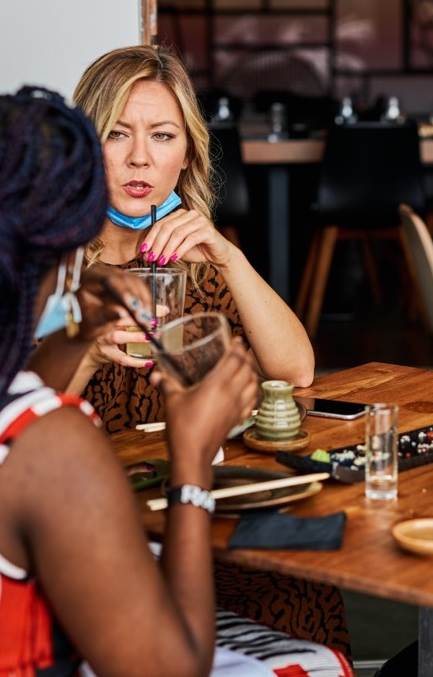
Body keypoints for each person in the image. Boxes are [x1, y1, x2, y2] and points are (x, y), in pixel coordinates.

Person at [0, 88, 352, 676]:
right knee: (317, 666)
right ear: (67, 246)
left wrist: (77, 335)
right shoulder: (48, 439)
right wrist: (192, 455)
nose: (139, 157)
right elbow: (172, 669)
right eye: (118, 135)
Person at [67, 44, 314, 434]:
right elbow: (9, 423)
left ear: (186, 154)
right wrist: (89, 353)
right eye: (116, 133)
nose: (140, 158)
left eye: (162, 136)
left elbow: (296, 372)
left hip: (185, 477)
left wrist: (230, 260)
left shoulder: (195, 265)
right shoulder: (48, 265)